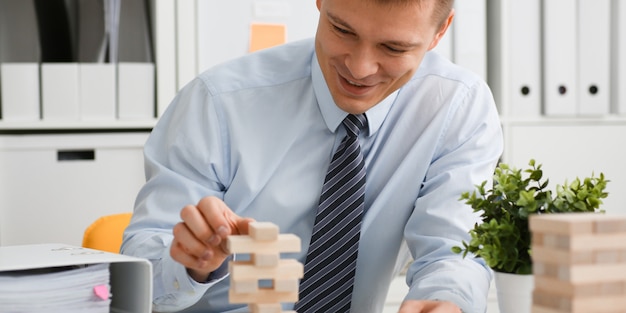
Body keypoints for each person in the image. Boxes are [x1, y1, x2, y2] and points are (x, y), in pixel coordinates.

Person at [121, 0, 503, 312]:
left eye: (393, 48)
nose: (359, 68)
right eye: (342, 30)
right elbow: (142, 272)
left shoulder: (456, 108)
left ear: (440, 31)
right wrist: (189, 263)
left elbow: (455, 248)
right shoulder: (218, 102)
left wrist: (445, 300)